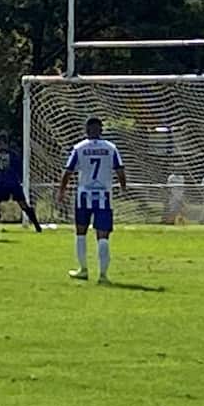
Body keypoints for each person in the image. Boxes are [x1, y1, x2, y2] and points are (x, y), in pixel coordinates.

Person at [57, 117, 126, 284]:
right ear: (101, 130)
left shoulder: (79, 148)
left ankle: (83, 270)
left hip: (83, 196)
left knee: (81, 233)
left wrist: (61, 191)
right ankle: (103, 275)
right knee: (103, 236)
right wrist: (123, 187)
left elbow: (68, 171)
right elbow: (120, 170)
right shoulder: (111, 148)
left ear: (86, 130)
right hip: (104, 196)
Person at [0, 131, 41, 232]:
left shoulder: (12, 154)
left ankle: (36, 225)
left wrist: (20, 178)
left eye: (1, 142)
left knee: (23, 205)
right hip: (1, 183)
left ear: (5, 143)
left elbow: (18, 167)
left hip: (13, 183)